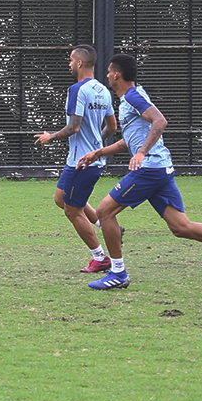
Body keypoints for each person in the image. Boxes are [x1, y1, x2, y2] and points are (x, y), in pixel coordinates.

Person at [78, 53, 202, 290]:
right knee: (181, 227)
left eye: (108, 72)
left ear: (116, 75)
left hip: (149, 168)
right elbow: (130, 141)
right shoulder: (129, 99)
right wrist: (99, 153)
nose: (106, 76)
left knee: (104, 212)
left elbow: (160, 121)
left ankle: (118, 272)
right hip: (160, 168)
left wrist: (142, 153)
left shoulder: (133, 96)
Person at [34, 45, 118, 273]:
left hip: (83, 162)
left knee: (72, 211)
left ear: (80, 63)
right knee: (61, 198)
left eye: (71, 60)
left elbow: (74, 127)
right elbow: (112, 126)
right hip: (84, 160)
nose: (69, 63)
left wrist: (49, 136)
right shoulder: (103, 90)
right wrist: (97, 143)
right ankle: (105, 225)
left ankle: (100, 257)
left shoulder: (77, 89)